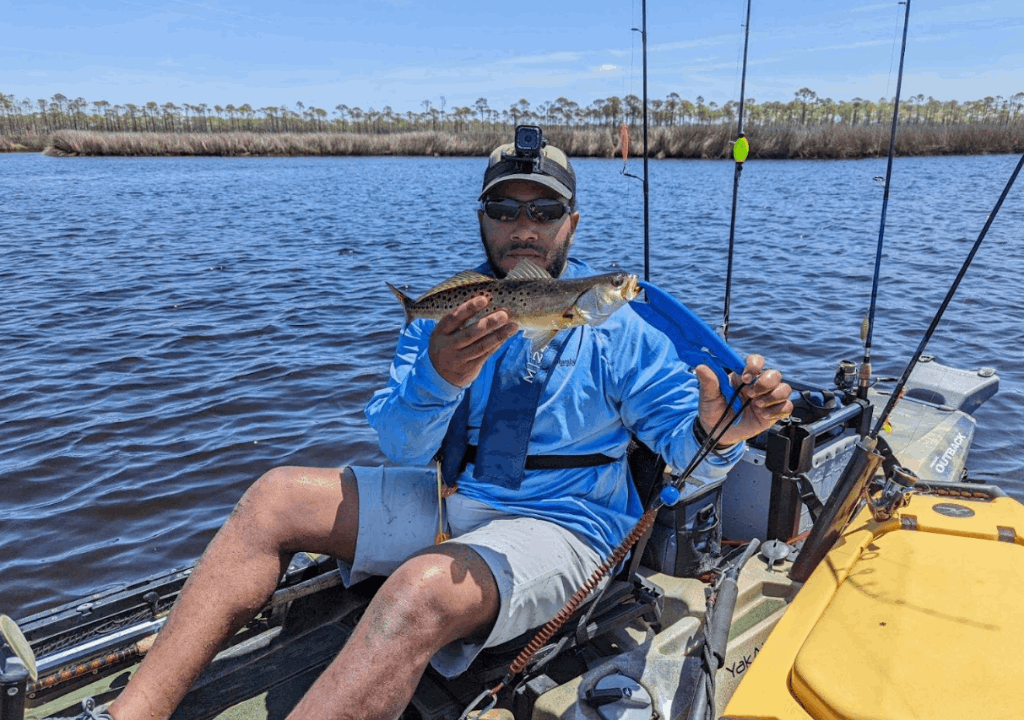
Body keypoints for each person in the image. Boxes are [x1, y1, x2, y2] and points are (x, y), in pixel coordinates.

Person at [60, 129, 793, 720]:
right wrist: (440, 374)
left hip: (564, 523)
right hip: (448, 498)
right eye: (505, 210)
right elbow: (401, 446)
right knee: (274, 496)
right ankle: (131, 713)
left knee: (418, 590)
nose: (524, 228)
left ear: (571, 223)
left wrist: (722, 429)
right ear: (482, 219)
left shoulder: (623, 329)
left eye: (543, 211)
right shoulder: (453, 309)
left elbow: (683, 440)